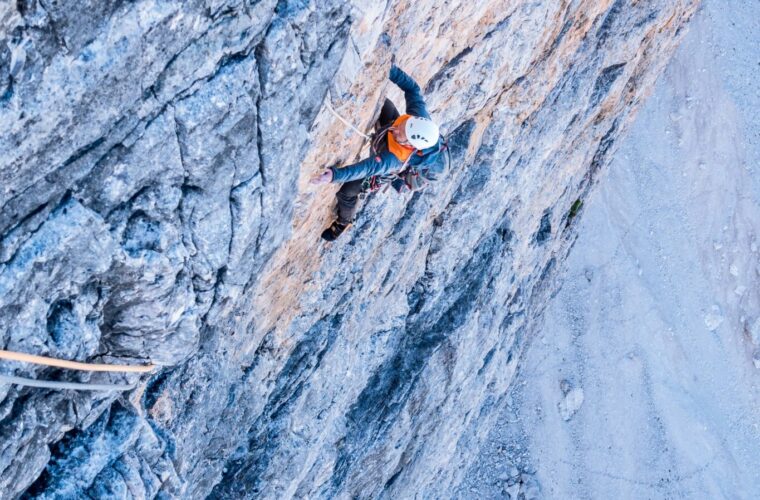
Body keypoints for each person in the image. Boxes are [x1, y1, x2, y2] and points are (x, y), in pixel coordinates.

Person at [310, 64, 443, 241]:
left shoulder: (393, 160)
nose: (395, 130)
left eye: (400, 134)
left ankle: (344, 221)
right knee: (383, 103)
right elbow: (412, 89)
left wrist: (333, 175)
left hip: (383, 170)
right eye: (401, 125)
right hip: (390, 143)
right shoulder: (418, 118)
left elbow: (366, 169)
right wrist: (388, 68)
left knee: (346, 192)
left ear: (411, 145)